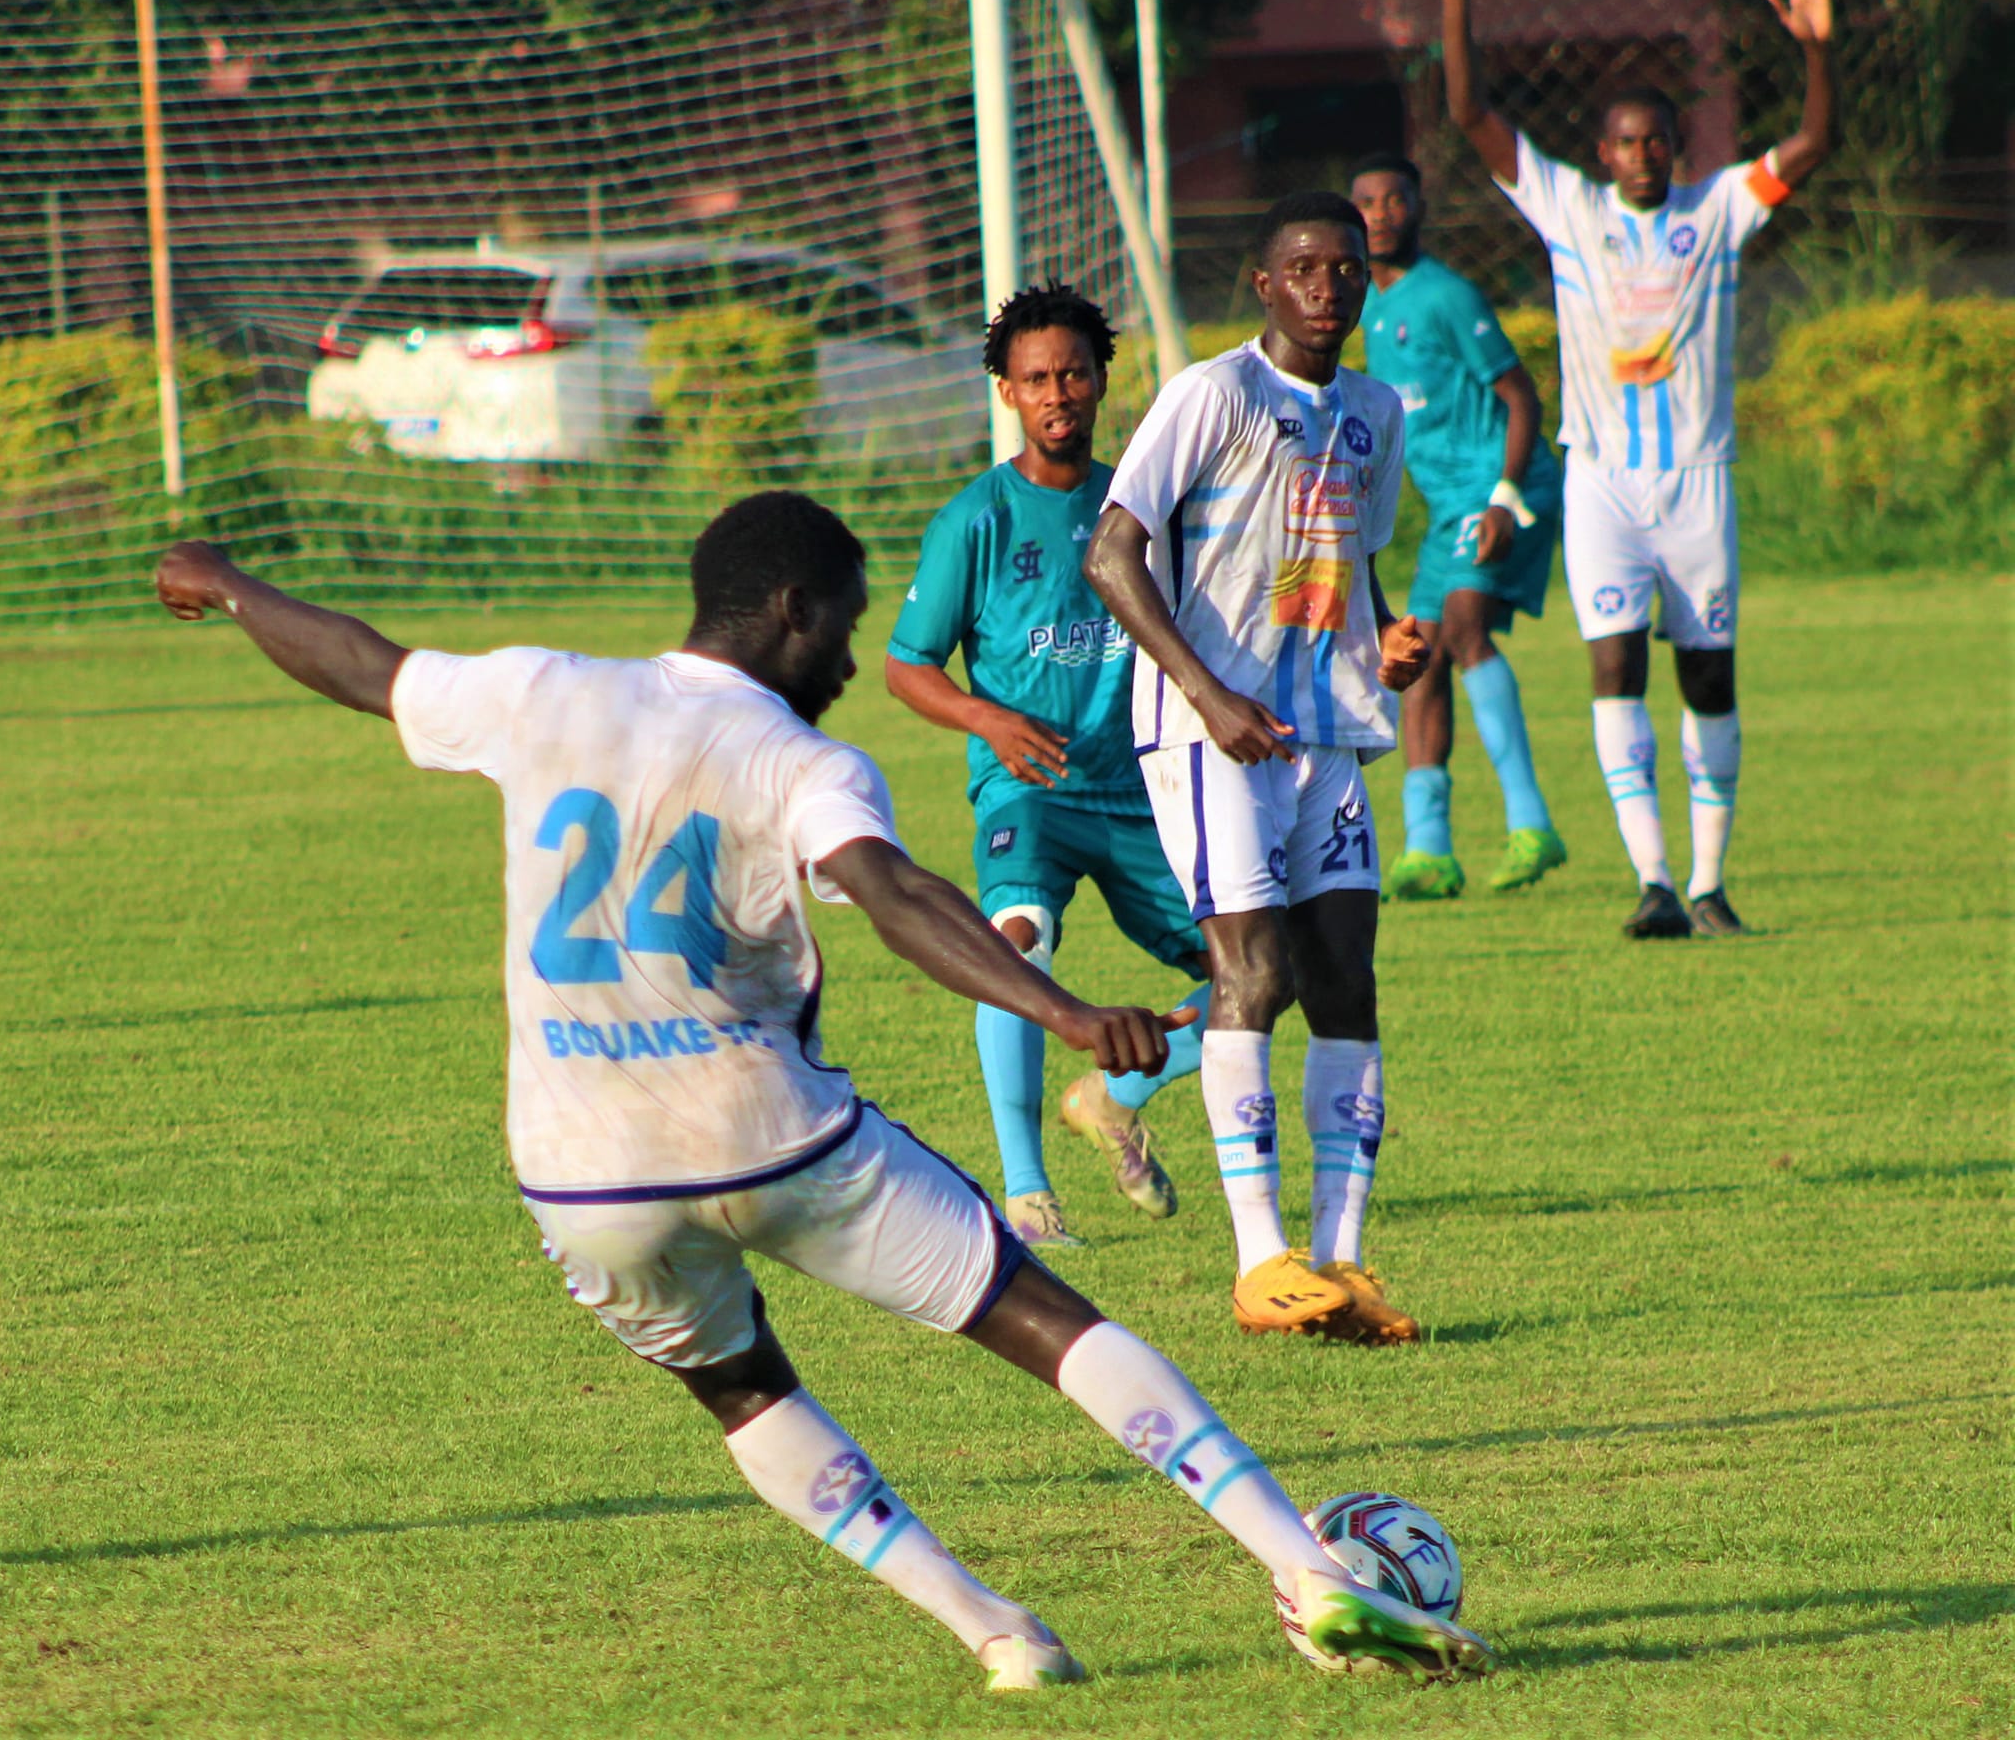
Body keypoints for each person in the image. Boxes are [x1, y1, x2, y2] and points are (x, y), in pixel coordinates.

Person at [151, 498, 1493, 1689]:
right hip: (763, 1127)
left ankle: (995, 1634)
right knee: (1036, 1313)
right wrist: (1067, 1009)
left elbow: (362, 663)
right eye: (845, 625)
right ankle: (1300, 1560)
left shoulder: (541, 688)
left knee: (742, 1390)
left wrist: (227, 586)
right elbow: (895, 893)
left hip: (580, 1171)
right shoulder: (797, 758)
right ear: (791, 609)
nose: (854, 662)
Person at [1432, 0, 1837, 938]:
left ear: (1672, 146)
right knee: (1612, 664)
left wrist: (1813, 51)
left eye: (1656, 138)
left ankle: (1708, 884)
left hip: (1695, 483)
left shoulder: (1718, 208)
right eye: (1623, 140)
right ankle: (1651, 883)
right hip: (1603, 482)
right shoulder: (1568, 209)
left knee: (1705, 676)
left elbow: (1810, 141)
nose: (1641, 153)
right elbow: (1470, 115)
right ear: (1602, 153)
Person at [1085, 193, 1430, 1347]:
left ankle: (1340, 1263)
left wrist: (1383, 635)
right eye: (1303, 267)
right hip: (1208, 731)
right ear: (1262, 284)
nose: (1326, 284)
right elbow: (1111, 553)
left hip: (1324, 728)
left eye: (1345, 267)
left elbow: (1353, 561)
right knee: (1255, 973)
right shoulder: (1210, 395)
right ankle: (1256, 1263)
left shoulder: (1374, 413)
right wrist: (1205, 691)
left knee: (1344, 978)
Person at [886, 284, 1209, 1249]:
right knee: (1014, 939)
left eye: (1072, 372)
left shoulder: (1139, 506)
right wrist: (988, 717)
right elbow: (906, 666)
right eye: (1036, 379)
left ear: (1103, 378)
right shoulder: (973, 521)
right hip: (1026, 790)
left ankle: (1116, 1092)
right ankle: (1027, 1197)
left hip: (1141, 790)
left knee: (1268, 969)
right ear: (1006, 393)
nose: (1057, 391)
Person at [1349, 151, 1567, 901]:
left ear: (1419, 208)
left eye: (1394, 199)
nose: (1379, 214)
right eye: (1366, 202)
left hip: (1501, 482)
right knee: (1419, 653)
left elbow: (1521, 397)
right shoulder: (1368, 308)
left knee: (1467, 628)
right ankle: (1429, 849)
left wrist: (1506, 497)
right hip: (1449, 506)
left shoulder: (1445, 295)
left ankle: (1532, 824)